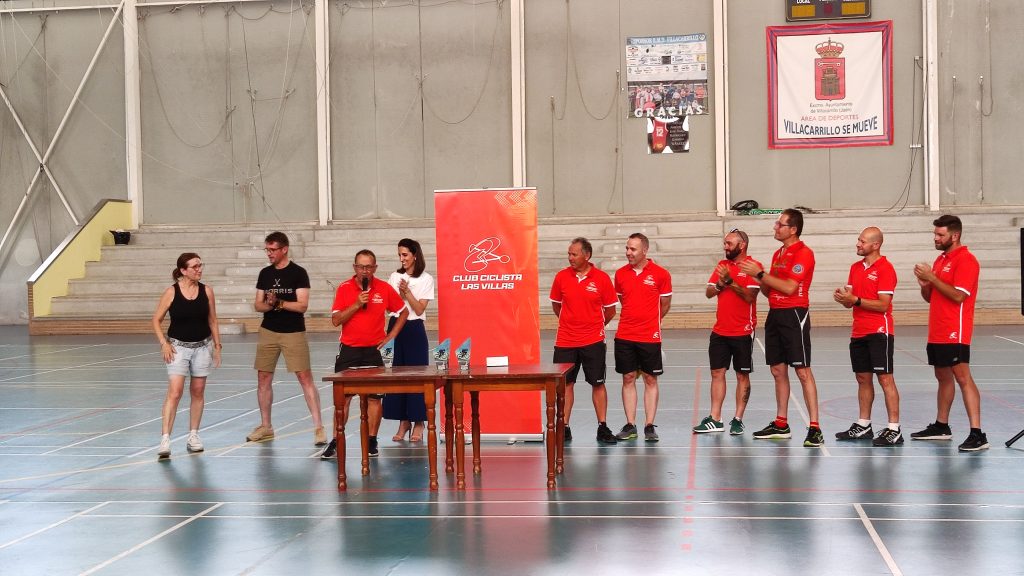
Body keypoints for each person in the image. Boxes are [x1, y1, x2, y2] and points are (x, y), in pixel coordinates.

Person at [739, 208, 824, 447]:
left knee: (802, 371)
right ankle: (781, 423)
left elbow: (788, 287)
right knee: (778, 370)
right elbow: (771, 290)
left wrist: (760, 273)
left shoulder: (804, 253)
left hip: (794, 314)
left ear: (793, 229)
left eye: (780, 224)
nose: (775, 228)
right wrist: (758, 278)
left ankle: (815, 428)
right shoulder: (778, 253)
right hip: (775, 314)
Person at [320, 249, 408, 459]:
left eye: (369, 267)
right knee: (343, 399)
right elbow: (336, 320)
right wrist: (357, 304)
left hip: (374, 351)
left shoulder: (384, 288)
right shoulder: (344, 288)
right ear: (355, 268)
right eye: (361, 266)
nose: (365, 271)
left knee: (374, 399)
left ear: (375, 268)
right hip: (349, 350)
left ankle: (371, 440)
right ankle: (336, 440)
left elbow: (403, 311)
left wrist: (391, 336)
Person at [911, 215, 988, 451]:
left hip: (956, 329)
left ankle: (977, 433)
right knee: (942, 377)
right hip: (938, 329)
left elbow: (958, 296)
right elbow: (931, 298)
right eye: (935, 234)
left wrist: (932, 278)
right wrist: (926, 286)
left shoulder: (966, 260)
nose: (935, 238)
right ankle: (941, 425)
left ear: (955, 236)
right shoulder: (941, 260)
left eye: (940, 234)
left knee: (963, 377)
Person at [246, 232, 326, 446]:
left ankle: (319, 427)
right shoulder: (265, 273)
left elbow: (302, 306)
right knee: (263, 377)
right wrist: (269, 304)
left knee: (304, 377)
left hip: (293, 332)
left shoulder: (298, 273)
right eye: (267, 249)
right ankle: (266, 426)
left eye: (272, 250)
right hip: (268, 331)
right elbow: (258, 304)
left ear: (284, 249)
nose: (269, 253)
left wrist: (279, 302)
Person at [832, 227, 903, 446]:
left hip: (879, 331)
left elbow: (883, 305)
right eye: (858, 240)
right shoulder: (855, 268)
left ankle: (894, 429)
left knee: (885, 379)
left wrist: (855, 300)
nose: (858, 244)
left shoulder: (886, 269)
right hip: (859, 331)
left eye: (862, 241)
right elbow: (851, 301)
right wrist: (843, 298)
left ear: (875, 245)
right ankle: (864, 425)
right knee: (862, 378)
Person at [151, 252, 222, 458]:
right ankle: (165, 439)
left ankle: (193, 435)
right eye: (195, 266)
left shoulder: (207, 291)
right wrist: (164, 343)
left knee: (198, 391)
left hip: (203, 347)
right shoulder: (171, 292)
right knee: (175, 392)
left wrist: (217, 346)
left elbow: (213, 320)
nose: (199, 269)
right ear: (183, 270)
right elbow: (156, 320)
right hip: (178, 348)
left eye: (200, 265)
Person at [550, 237, 619, 445]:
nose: (570, 257)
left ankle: (602, 426)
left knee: (598, 383)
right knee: (566, 385)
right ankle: (564, 426)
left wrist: (593, 326)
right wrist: (570, 323)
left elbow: (610, 310)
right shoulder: (561, 277)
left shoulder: (602, 278)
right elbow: (556, 305)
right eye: (569, 254)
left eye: (574, 254)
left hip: (593, 341)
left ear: (587, 255)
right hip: (565, 341)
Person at [693, 229, 760, 435]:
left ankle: (738, 419)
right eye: (725, 243)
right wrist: (721, 283)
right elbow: (709, 292)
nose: (725, 247)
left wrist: (731, 281)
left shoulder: (753, 267)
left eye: (729, 243)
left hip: (743, 331)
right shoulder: (722, 265)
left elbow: (749, 297)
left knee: (742, 375)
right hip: (720, 330)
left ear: (742, 245)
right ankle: (715, 418)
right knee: (717, 373)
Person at [613, 233, 672, 442]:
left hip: (649, 336)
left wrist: (650, 322)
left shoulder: (661, 274)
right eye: (627, 248)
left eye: (633, 249)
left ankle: (649, 425)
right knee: (628, 378)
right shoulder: (620, 274)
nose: (628, 252)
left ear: (645, 250)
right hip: (625, 335)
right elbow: (623, 299)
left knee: (650, 379)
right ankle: (630, 425)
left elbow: (665, 304)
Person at [383, 238, 435, 443]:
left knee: (417, 375)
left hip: (414, 328)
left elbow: (419, 309)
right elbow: (390, 306)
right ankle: (403, 421)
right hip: (395, 326)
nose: (401, 259)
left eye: (404, 254)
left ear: (415, 255)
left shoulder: (426, 279)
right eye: (399, 255)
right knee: (396, 374)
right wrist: (399, 292)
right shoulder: (395, 276)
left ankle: (419, 421)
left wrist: (407, 292)